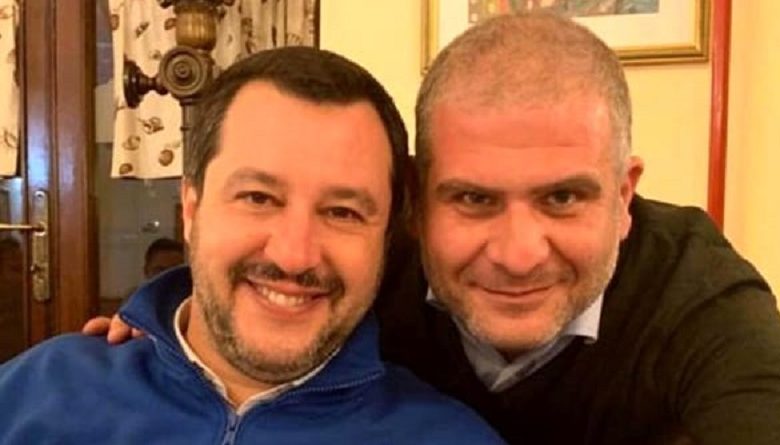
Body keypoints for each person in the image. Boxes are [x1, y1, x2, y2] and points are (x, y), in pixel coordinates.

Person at [84, 10, 780, 445]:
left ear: (624, 196)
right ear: (414, 203)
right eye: (474, 200)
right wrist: (165, 334)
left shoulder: (700, 299)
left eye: (562, 198)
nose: (518, 254)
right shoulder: (364, 262)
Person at [0, 47, 505, 444]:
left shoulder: (446, 436)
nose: (294, 255)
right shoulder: (39, 391)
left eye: (342, 212)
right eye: (258, 198)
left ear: (387, 237)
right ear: (191, 209)